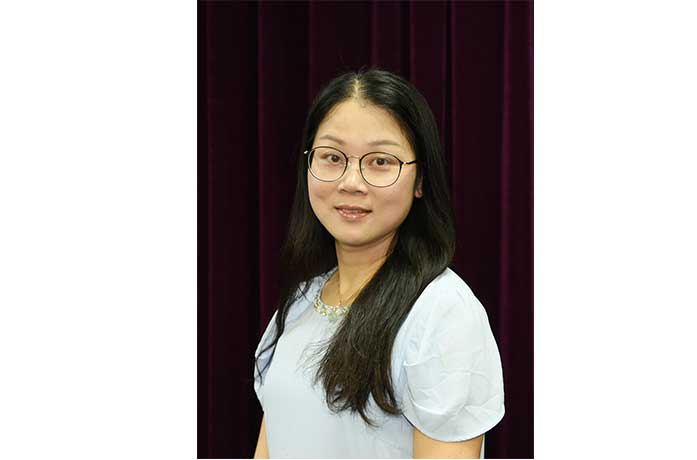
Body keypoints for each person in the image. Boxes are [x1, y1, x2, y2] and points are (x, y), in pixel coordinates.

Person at [252, 68, 505, 459]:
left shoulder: (440, 313)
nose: (351, 182)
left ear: (420, 180)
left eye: (380, 162)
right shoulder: (302, 301)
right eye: (332, 157)